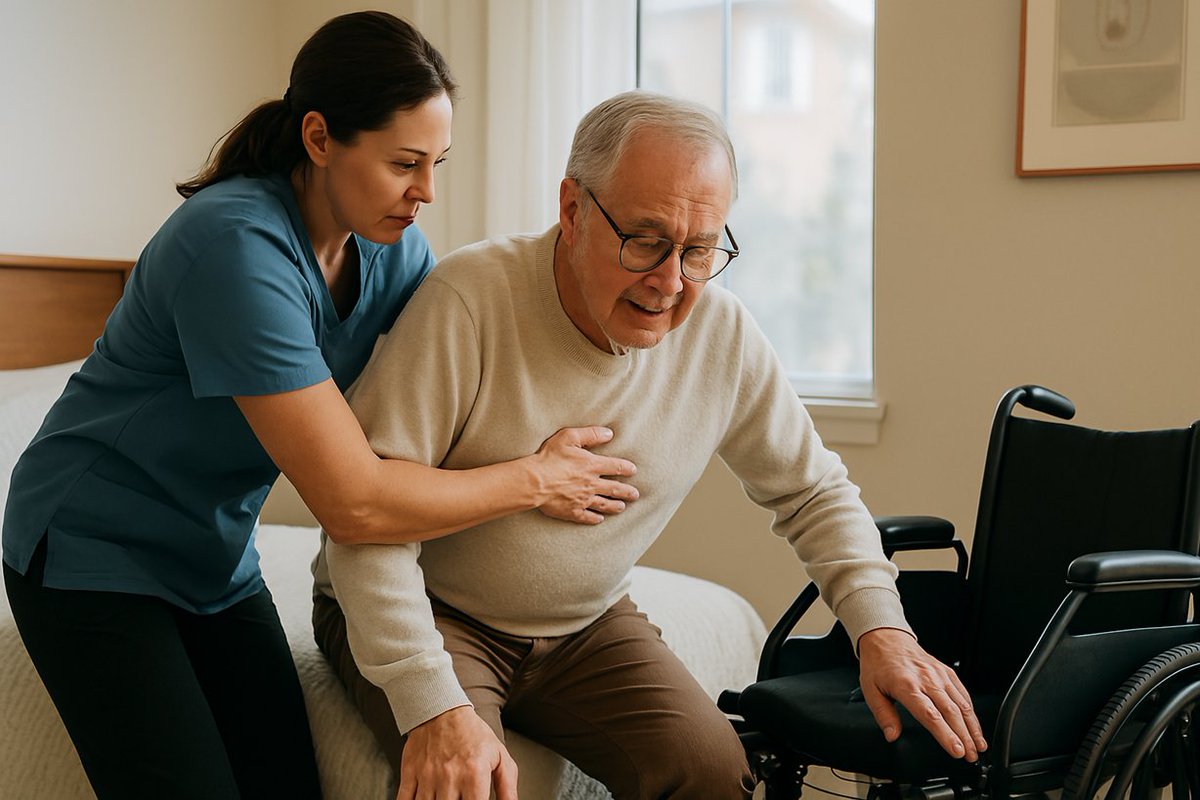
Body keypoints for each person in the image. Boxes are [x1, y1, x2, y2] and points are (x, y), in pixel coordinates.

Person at [2, 12, 638, 800]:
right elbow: (354, 502)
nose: (426, 192)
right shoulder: (234, 248)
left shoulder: (397, 250)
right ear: (318, 137)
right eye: (405, 163)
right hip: (91, 551)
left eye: (437, 162)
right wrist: (538, 480)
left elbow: (434, 411)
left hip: (215, 558)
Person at [313, 90, 988, 800]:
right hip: (431, 605)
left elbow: (813, 491)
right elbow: (366, 526)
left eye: (699, 250)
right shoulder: (469, 300)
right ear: (573, 211)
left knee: (712, 770)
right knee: (470, 785)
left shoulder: (720, 333)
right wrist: (434, 703)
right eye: (645, 240)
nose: (670, 283)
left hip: (583, 626)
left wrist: (883, 631)